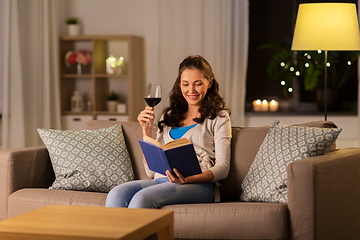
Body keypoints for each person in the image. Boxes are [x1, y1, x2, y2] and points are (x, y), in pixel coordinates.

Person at [105, 55, 232, 209]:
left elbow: (223, 168)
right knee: (116, 193)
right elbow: (150, 172)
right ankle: (116, 233)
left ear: (209, 83)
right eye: (185, 84)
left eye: (198, 84)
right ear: (179, 85)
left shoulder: (219, 117)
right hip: (160, 180)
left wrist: (188, 179)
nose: (191, 90)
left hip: (199, 184)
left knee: (141, 198)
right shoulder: (169, 116)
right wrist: (146, 130)